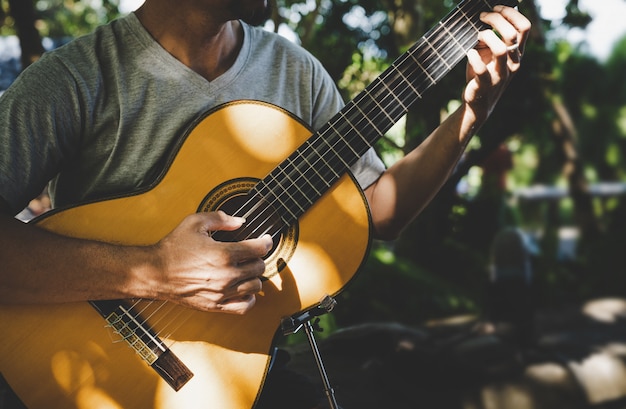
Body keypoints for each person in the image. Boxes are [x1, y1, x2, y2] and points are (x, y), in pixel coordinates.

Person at [0, 0, 530, 407]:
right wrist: (153, 272)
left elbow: (377, 213)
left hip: (239, 378)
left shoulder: (293, 72)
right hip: (86, 367)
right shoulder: (75, 79)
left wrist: (470, 116)